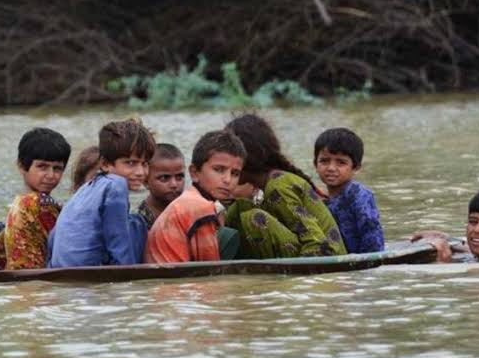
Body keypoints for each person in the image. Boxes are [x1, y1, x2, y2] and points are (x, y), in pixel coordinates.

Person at [224, 113, 347, 259]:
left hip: (327, 256)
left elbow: (317, 243)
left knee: (254, 218)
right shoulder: (266, 186)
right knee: (239, 209)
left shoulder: (278, 187)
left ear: (246, 157)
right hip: (306, 251)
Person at [48, 118, 155, 267]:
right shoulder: (116, 185)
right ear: (105, 164)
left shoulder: (84, 190)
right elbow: (119, 244)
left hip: (60, 270)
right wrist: (131, 283)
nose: (140, 172)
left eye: (145, 164)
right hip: (89, 273)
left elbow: (54, 236)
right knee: (137, 223)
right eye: (131, 163)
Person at [144, 129, 246, 263]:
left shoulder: (189, 198)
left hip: (164, 278)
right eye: (219, 170)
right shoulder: (200, 207)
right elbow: (210, 269)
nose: (227, 180)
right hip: (172, 281)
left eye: (235, 173)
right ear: (194, 173)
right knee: (229, 237)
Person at [0, 128, 71, 270]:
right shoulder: (28, 204)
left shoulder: (42, 206)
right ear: (22, 166)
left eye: (57, 168)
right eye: (42, 167)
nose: (51, 175)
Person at [313, 127, 384, 253]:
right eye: (324, 161)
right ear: (315, 164)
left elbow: (372, 235)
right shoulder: (319, 199)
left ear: (355, 167)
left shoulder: (359, 195)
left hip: (361, 260)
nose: (331, 168)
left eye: (341, 162)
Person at [412, 189, 479, 262]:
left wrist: (443, 266)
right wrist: (446, 238)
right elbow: (468, 250)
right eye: (473, 222)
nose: (477, 229)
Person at [137, 143, 186, 229]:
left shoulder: (189, 212)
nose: (174, 184)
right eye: (164, 178)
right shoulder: (140, 222)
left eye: (179, 177)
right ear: (145, 181)